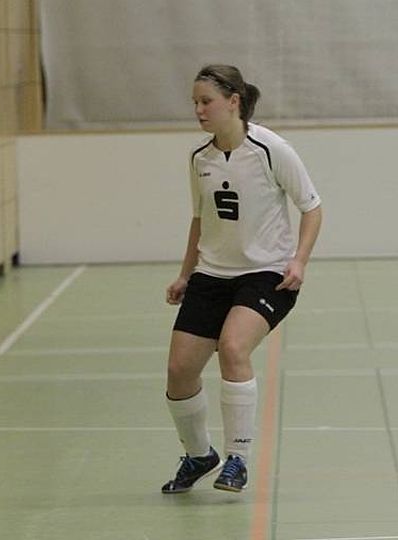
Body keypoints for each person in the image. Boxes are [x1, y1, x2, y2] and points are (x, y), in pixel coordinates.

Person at [161, 65, 322, 494]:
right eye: (195, 103)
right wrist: (185, 274)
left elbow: (312, 207)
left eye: (206, 101)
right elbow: (200, 220)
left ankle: (237, 459)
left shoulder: (271, 149)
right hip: (212, 274)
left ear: (233, 101)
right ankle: (199, 455)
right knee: (179, 370)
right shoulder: (199, 158)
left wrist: (299, 261)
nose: (199, 110)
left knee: (233, 347)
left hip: (267, 274)